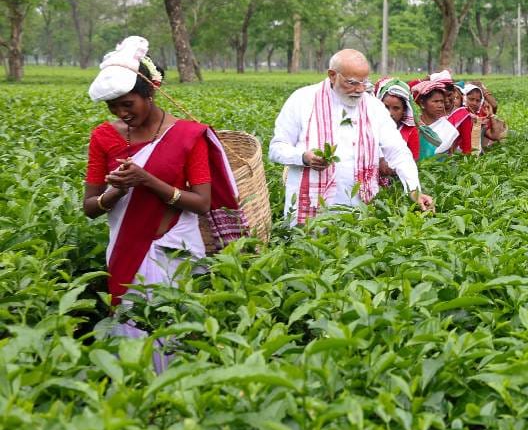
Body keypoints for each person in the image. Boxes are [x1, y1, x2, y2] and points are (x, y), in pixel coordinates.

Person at [82, 36, 243, 372]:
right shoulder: (103, 137)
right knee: (131, 333)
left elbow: (201, 202)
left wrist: (147, 181)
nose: (121, 114)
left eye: (128, 104)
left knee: (176, 329)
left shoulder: (186, 136)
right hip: (127, 247)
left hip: (176, 248)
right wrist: (115, 193)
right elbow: (90, 207)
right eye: (113, 106)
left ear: (149, 93)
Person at [270, 49, 433, 224]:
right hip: (309, 205)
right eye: (353, 83)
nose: (360, 89)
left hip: (358, 207)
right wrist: (303, 157)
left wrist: (414, 190)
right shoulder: (302, 100)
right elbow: (276, 148)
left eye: (364, 82)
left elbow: (398, 152)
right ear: (332, 75)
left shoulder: (374, 107)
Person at [410, 71, 460, 158]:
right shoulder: (413, 125)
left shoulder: (449, 130)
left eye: (441, 102)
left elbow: (450, 157)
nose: (440, 105)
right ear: (422, 103)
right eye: (436, 101)